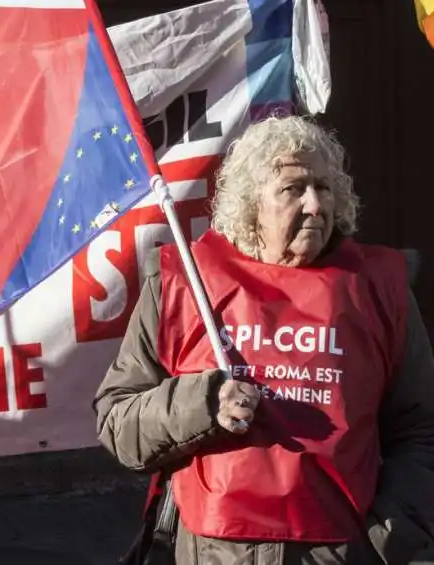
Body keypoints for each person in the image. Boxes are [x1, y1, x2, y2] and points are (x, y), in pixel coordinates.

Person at [93, 115, 434, 565]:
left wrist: (390, 539)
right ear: (252, 203)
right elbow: (117, 420)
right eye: (293, 189)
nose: (315, 204)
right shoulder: (185, 282)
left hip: (339, 553)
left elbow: (422, 430)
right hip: (211, 551)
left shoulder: (378, 288)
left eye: (325, 187)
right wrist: (202, 403)